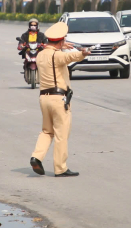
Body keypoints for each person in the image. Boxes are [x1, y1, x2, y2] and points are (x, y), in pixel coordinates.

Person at [29, 21, 90, 178]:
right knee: (61, 134)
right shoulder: (57, 56)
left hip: (44, 98)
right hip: (58, 99)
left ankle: (36, 157)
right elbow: (69, 57)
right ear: (61, 40)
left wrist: (60, 46)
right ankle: (60, 168)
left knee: (46, 131)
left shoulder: (41, 54)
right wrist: (83, 53)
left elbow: (53, 52)